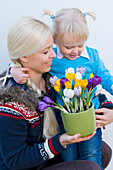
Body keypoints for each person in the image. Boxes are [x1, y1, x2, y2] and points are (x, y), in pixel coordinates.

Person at [5, 8, 113, 169]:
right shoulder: (51, 61)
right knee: (69, 157)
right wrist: (12, 70)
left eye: (80, 46)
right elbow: (16, 63)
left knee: (94, 153)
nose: (75, 51)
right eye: (69, 47)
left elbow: (103, 80)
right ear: (56, 41)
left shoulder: (91, 57)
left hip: (88, 117)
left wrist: (109, 107)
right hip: (64, 120)